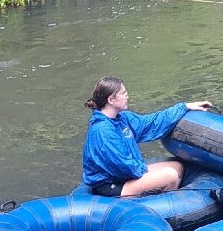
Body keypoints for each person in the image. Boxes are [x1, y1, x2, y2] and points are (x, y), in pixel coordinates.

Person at [81, 77, 212, 197]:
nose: (127, 96)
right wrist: (146, 173)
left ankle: (164, 200)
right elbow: (123, 165)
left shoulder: (122, 119)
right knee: (170, 175)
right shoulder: (103, 131)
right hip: (111, 185)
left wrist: (184, 107)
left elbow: (152, 122)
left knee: (177, 167)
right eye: (123, 93)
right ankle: (162, 210)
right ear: (111, 100)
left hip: (124, 175)